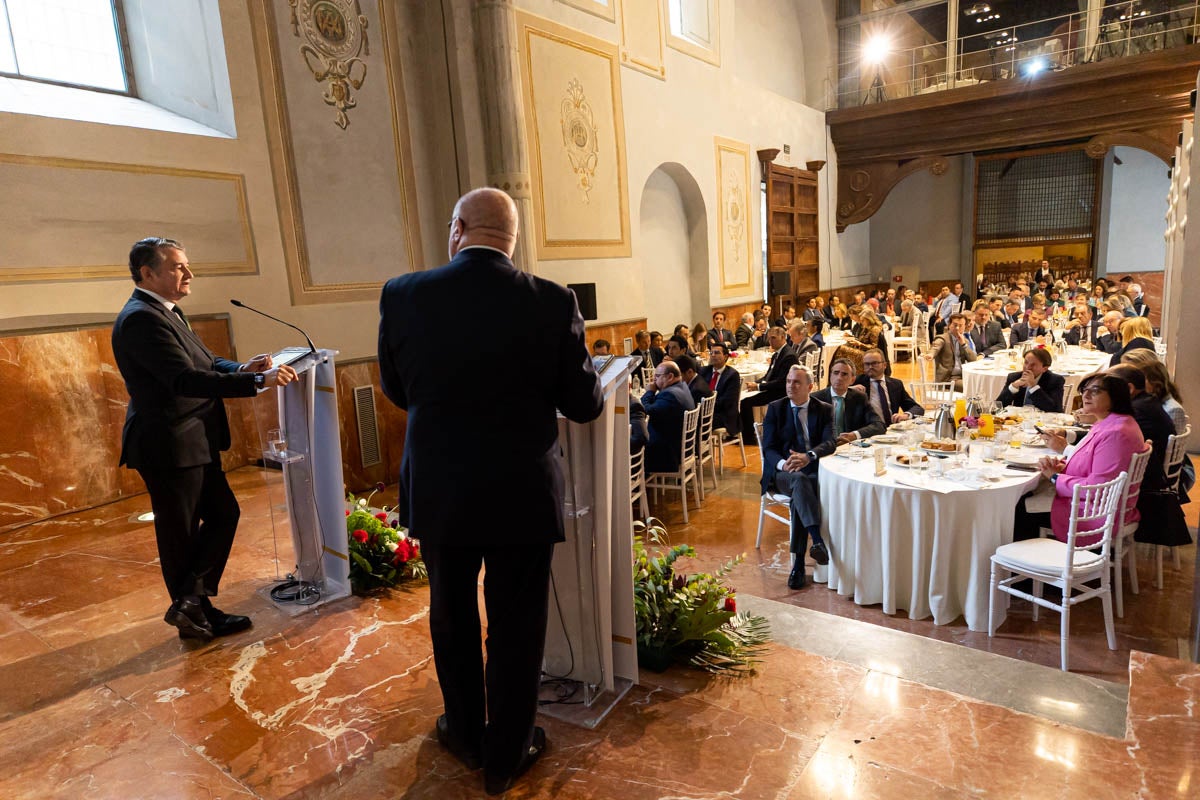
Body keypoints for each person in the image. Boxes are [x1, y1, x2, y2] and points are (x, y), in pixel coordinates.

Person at [377, 188, 604, 795]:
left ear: (457, 230)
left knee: (450, 611)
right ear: (514, 239)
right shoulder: (553, 302)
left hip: (441, 484)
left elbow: (397, 388)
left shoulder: (403, 294)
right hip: (519, 490)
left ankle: (463, 733)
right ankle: (506, 753)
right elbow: (583, 405)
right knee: (517, 621)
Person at [113, 236, 299, 642]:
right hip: (168, 443)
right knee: (179, 533)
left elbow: (206, 361)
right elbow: (183, 379)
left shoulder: (166, 312)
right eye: (179, 266)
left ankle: (193, 606)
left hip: (192, 437)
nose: (189, 274)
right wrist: (254, 381)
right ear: (148, 273)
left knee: (222, 514)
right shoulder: (140, 319)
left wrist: (241, 368)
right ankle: (194, 613)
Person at [1014, 373, 1143, 542]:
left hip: (1093, 513)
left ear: (1116, 396)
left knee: (1018, 506)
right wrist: (1062, 466)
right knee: (1026, 496)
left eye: (1095, 391)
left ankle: (1030, 565)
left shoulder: (1116, 434)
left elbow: (1098, 489)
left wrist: (1055, 477)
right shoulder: (1112, 422)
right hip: (1100, 503)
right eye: (1084, 390)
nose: (1086, 395)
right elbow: (1092, 462)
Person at [759, 365, 836, 590]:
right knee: (800, 482)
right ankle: (817, 542)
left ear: (810, 387)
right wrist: (785, 464)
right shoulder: (775, 408)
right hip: (782, 474)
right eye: (788, 381)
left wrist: (808, 456)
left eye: (796, 382)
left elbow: (830, 442)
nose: (790, 386)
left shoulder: (823, 409)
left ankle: (799, 564)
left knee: (800, 493)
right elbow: (769, 448)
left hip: (812, 470)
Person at [640, 360, 697, 473]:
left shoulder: (670, 394)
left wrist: (649, 392)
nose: (654, 380)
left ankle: (636, 487)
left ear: (670, 376)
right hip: (681, 445)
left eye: (657, 376)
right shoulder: (682, 387)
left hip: (669, 453)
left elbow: (646, 410)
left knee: (631, 447)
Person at [740, 326, 798, 435]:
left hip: (781, 393)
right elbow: (768, 376)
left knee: (745, 402)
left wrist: (758, 387)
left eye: (773, 338)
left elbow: (782, 382)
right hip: (774, 389)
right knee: (743, 397)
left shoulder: (788, 356)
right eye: (769, 338)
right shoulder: (778, 353)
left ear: (783, 337)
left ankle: (748, 436)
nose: (770, 341)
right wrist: (756, 383)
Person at [812, 358, 885, 444]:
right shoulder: (815, 399)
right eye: (836, 373)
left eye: (844, 374)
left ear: (852, 380)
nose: (839, 378)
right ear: (830, 376)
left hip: (849, 448)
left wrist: (854, 435)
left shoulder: (860, 398)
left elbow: (879, 425)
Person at [851, 348, 924, 423]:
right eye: (867, 364)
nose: (870, 367)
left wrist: (906, 415)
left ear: (884, 365)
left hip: (891, 430)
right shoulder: (856, 382)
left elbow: (917, 408)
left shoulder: (896, 384)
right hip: (868, 430)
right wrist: (849, 390)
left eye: (874, 363)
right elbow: (839, 394)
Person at [994, 348, 1064, 411]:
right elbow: (998, 406)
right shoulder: (1014, 377)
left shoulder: (1055, 380)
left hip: (1044, 421)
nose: (1027, 367)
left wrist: (1033, 387)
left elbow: (1056, 410)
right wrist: (1013, 387)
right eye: (1026, 362)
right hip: (1018, 420)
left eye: (1033, 365)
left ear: (1044, 368)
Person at [926, 312, 977, 389]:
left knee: (980, 384)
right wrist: (931, 354)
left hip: (962, 376)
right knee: (971, 387)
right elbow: (935, 347)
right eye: (955, 325)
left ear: (964, 327)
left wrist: (963, 344)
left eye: (960, 326)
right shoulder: (943, 338)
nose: (957, 328)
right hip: (947, 379)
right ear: (949, 325)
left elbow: (973, 359)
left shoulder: (964, 341)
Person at [700, 343, 741, 437]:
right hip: (706, 411)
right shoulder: (704, 371)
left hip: (724, 414)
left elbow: (728, 401)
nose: (713, 355)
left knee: (700, 423)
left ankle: (703, 449)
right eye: (711, 353)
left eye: (717, 353)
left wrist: (707, 406)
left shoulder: (732, 375)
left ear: (725, 356)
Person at [832, 305, 885, 374]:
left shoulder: (874, 329)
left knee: (841, 349)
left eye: (863, 320)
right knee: (843, 347)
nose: (861, 322)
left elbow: (874, 347)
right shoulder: (866, 327)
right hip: (862, 350)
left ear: (868, 320)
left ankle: (838, 372)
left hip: (868, 354)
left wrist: (860, 344)